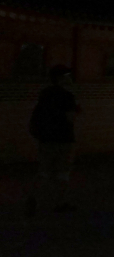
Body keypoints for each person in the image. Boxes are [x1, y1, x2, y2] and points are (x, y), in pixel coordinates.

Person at [26, 65, 81, 215]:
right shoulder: (67, 96)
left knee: (43, 171)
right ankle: (60, 203)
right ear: (62, 78)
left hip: (45, 138)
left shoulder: (44, 94)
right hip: (63, 139)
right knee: (62, 173)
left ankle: (33, 200)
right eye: (68, 76)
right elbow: (70, 118)